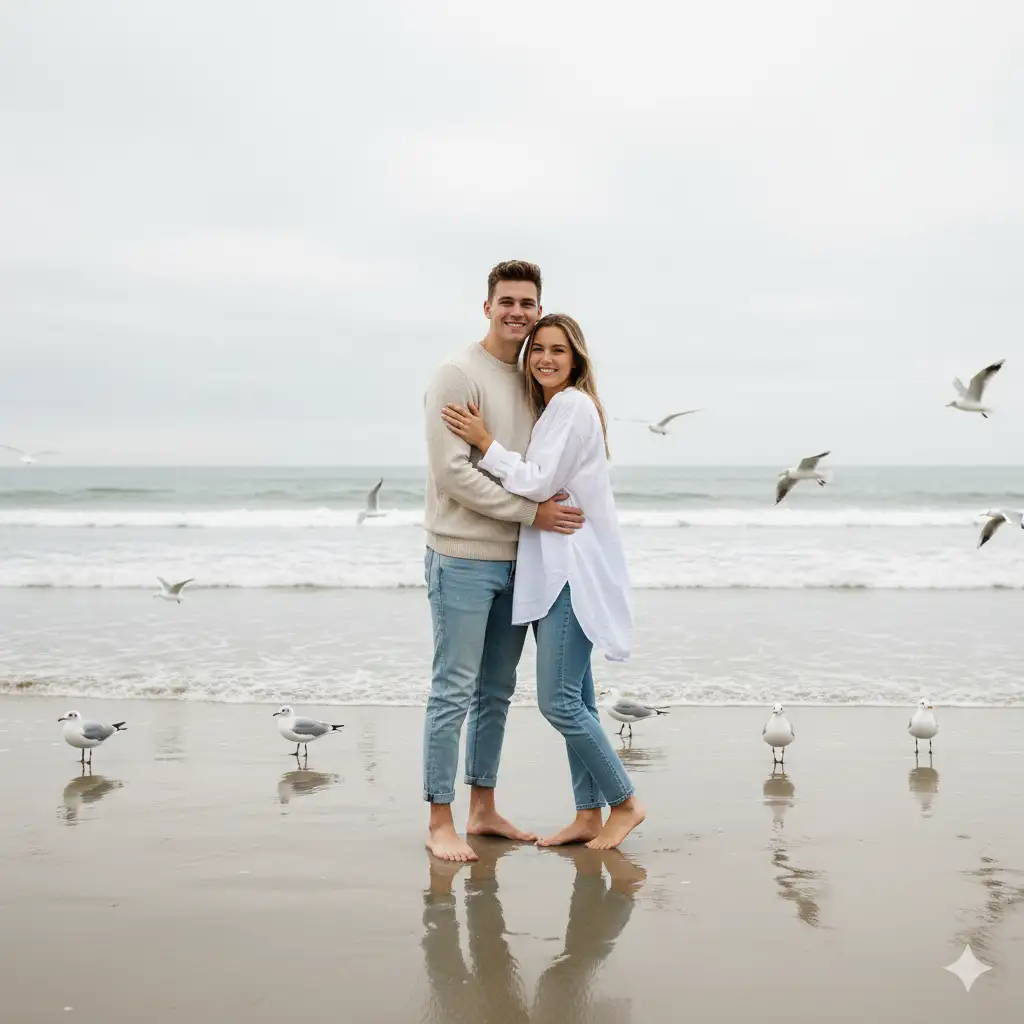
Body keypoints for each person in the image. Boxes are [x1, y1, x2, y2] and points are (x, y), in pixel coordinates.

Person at [441, 313, 645, 850]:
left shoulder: (572, 405)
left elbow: (540, 483)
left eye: (558, 350)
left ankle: (625, 802)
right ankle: (588, 815)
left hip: (570, 572)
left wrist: (486, 442)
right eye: (538, 350)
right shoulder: (555, 409)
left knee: (559, 702)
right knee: (579, 697)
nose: (546, 359)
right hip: (557, 567)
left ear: (576, 359)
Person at [422, 261, 586, 864]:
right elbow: (453, 473)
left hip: (520, 563)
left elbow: (544, 467)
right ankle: (440, 819)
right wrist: (532, 514)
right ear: (486, 306)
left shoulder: (534, 379)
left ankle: (483, 808)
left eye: (528, 304)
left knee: (495, 691)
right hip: (461, 557)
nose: (518, 312)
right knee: (453, 689)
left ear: (538, 310)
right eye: (507, 302)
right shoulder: (456, 375)